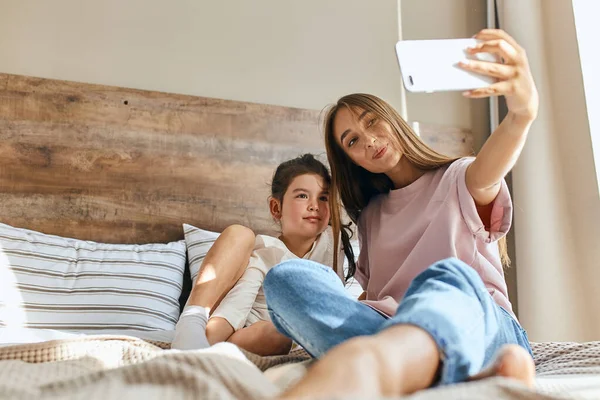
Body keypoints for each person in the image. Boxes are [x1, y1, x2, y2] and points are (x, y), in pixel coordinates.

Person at [264, 29, 539, 398]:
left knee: (447, 276)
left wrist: (521, 114)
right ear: (351, 160)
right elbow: (374, 299)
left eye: (372, 122)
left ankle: (376, 366)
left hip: (480, 321)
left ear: (391, 119)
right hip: (396, 327)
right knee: (284, 280)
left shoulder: (458, 177)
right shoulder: (370, 218)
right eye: (353, 141)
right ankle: (458, 373)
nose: (370, 140)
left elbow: (490, 170)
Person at [172, 154, 346, 355]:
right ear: (276, 207)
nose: (314, 205)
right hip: (241, 327)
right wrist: (203, 343)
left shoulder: (333, 245)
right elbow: (236, 307)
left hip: (283, 336)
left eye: (323, 197)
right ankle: (193, 327)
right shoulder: (268, 252)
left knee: (280, 336)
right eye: (302, 196)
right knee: (241, 234)